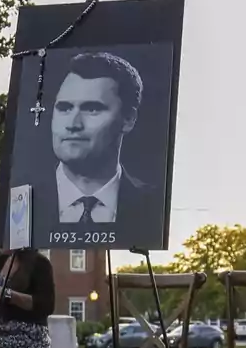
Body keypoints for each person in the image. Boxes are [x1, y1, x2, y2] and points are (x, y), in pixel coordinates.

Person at [44, 52, 162, 238]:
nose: (73, 124)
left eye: (92, 109)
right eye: (64, 108)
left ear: (128, 119)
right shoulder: (25, 201)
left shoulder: (154, 206)